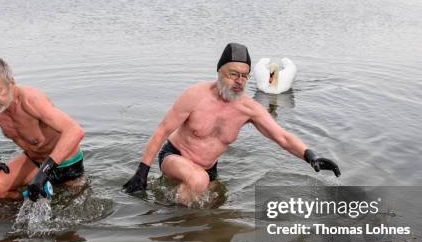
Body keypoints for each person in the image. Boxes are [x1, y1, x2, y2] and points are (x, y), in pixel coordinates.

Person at [123, 43, 340, 204]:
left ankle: (174, 209)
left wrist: (310, 156)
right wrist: (142, 171)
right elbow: (162, 130)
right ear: (219, 72)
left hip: (210, 169)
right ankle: (178, 226)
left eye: (245, 76)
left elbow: (281, 137)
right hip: (175, 156)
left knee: (214, 200)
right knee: (198, 181)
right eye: (233, 74)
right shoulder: (195, 95)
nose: (240, 81)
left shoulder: (248, 108)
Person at [0, 57, 85, 201]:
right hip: (33, 159)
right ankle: (28, 200)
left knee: (69, 206)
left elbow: (75, 130)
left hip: (66, 163)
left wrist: (43, 172)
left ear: (11, 83)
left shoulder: (31, 100)